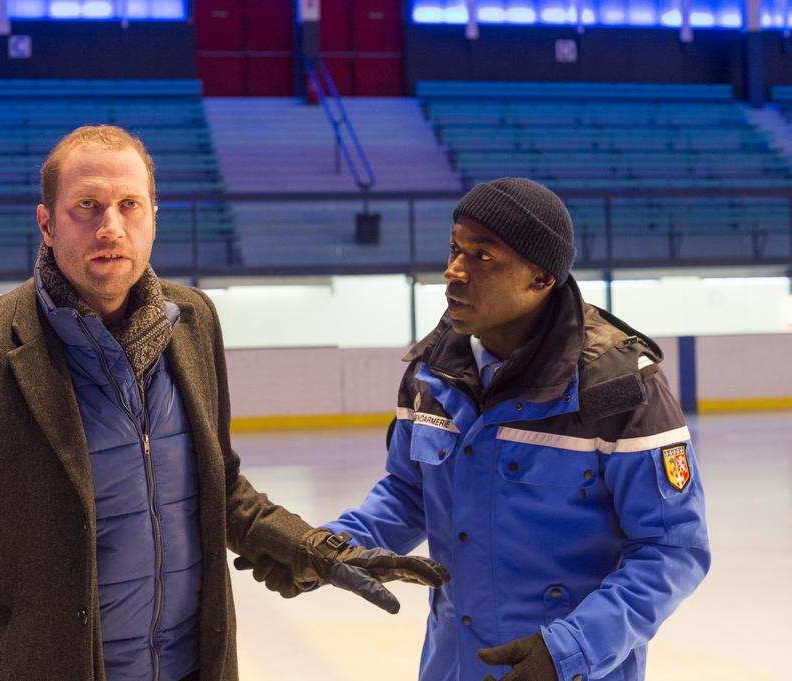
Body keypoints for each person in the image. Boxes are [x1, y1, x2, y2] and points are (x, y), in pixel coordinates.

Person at [0, 125, 448, 681]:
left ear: (153, 217)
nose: (110, 226)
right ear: (46, 223)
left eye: (129, 205)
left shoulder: (191, 321)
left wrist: (314, 548)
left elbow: (219, 486)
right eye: (86, 206)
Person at [240, 178, 710, 681]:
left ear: (541, 277)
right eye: (454, 249)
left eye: (483, 256)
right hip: (453, 665)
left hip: (576, 668)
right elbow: (408, 493)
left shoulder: (616, 386)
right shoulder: (432, 372)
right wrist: (330, 548)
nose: (453, 272)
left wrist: (569, 650)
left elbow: (671, 549)